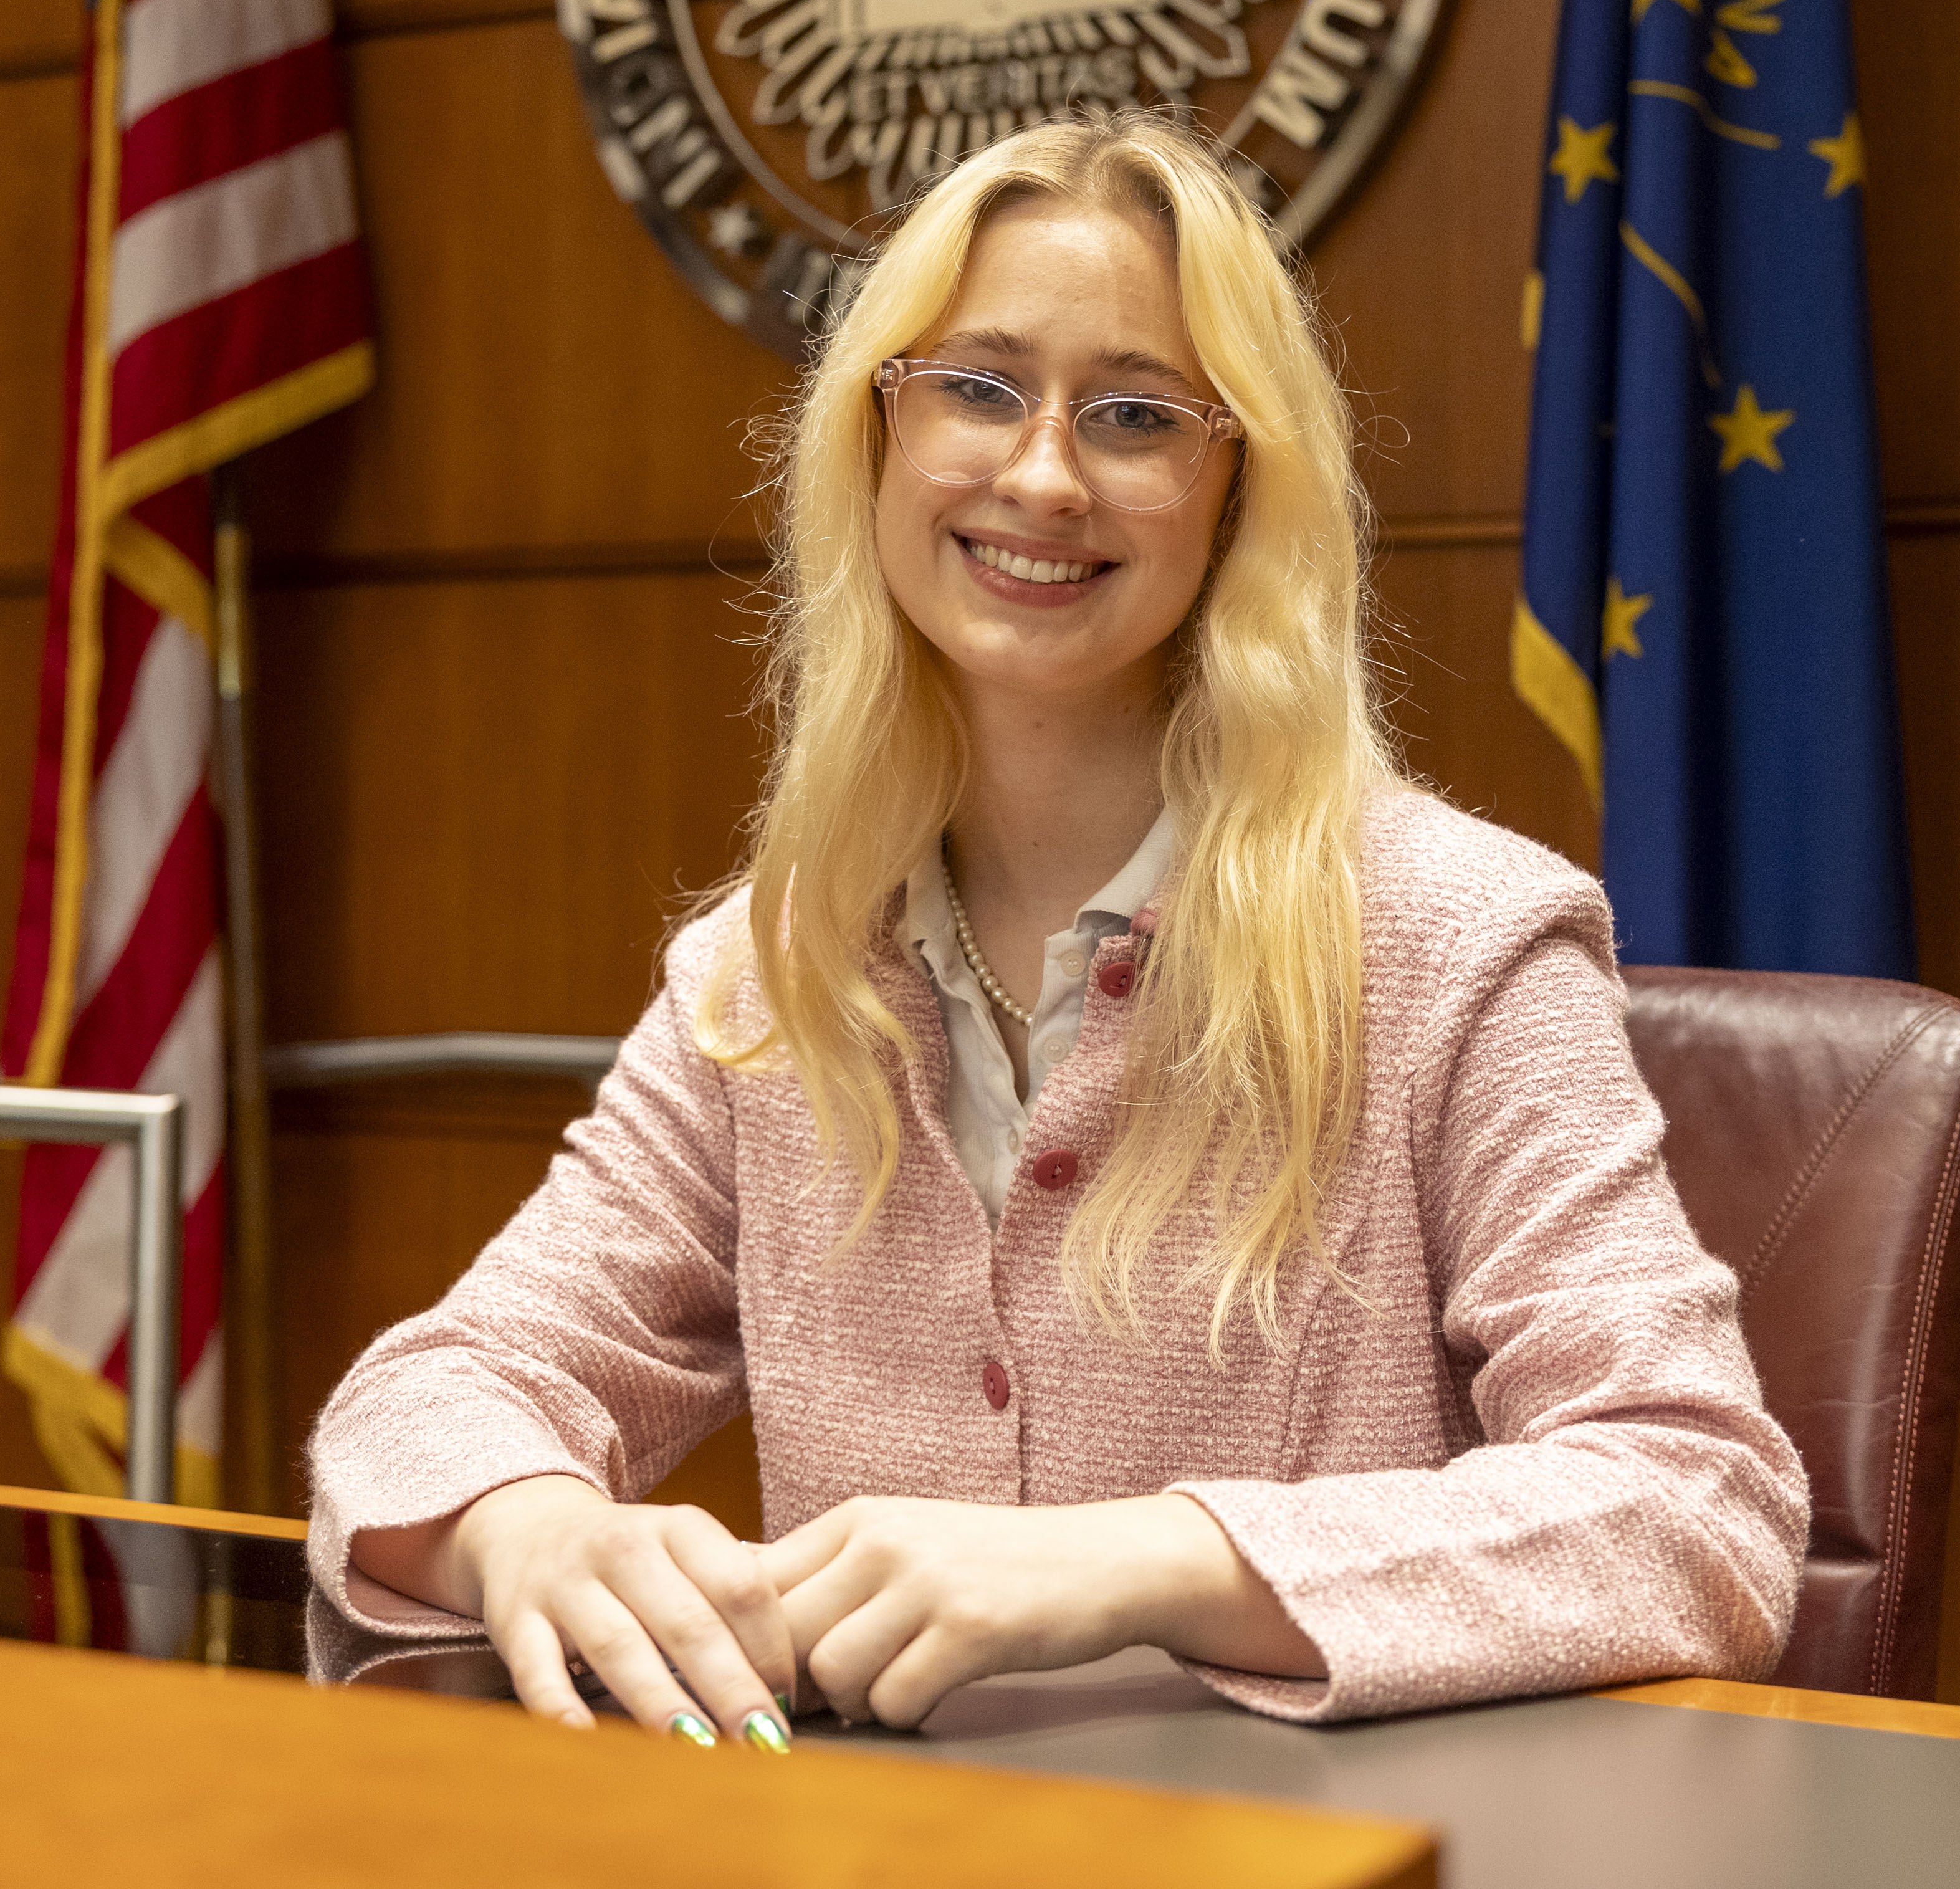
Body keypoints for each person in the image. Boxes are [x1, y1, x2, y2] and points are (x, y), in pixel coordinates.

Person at [305, 111, 1804, 1751]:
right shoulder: (770, 966)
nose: (1038, 472)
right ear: (875, 436)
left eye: (1136, 414)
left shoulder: (1461, 937)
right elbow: (430, 1390)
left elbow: (1693, 1504)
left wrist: (1138, 1562)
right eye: (975, 385)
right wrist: (532, 1519)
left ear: (1233, 489)